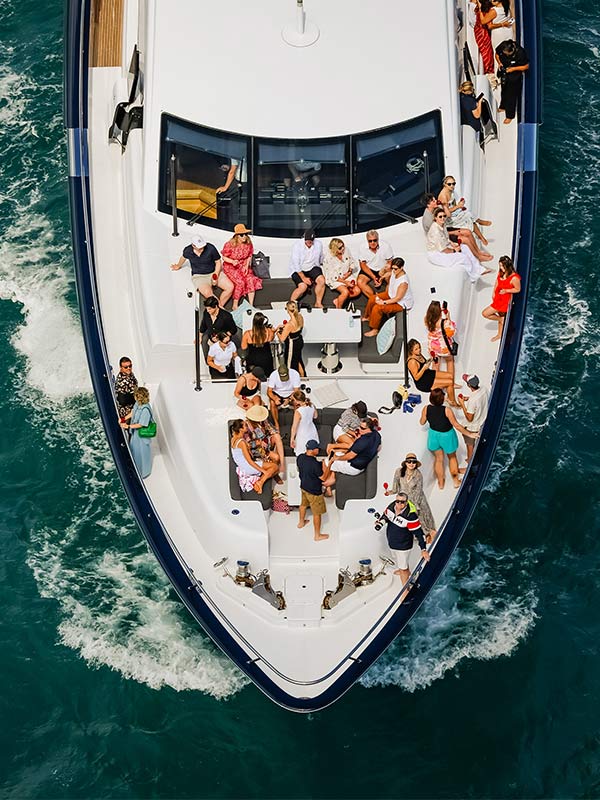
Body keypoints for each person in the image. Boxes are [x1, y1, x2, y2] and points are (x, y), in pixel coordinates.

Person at [420, 387, 474, 489]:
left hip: (433, 435)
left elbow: (422, 422)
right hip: (447, 436)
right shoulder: (447, 410)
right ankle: (456, 481)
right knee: (452, 457)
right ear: (442, 399)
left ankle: (441, 483)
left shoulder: (426, 408)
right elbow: (456, 425)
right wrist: (469, 434)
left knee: (438, 458)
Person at [421, 194, 492, 262]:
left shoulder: (436, 208)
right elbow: (437, 235)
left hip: (445, 230)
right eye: (433, 201)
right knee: (465, 239)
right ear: (428, 205)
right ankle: (478, 257)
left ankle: (478, 252)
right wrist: (454, 232)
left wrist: (444, 206)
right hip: (441, 237)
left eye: (435, 199)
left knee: (468, 232)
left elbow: (448, 215)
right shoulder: (428, 219)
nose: (436, 201)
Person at [378, 492, 430, 583]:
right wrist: (380, 521)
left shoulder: (410, 516)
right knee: (401, 562)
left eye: (402, 502)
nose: (399, 504)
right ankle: (405, 570)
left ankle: (405, 588)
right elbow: (385, 516)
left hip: (403, 546)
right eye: (397, 501)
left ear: (406, 502)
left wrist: (423, 549)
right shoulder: (391, 506)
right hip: (392, 543)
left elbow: (419, 534)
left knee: (403, 569)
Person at [426, 207, 488, 283]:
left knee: (465, 247)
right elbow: (443, 250)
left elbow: (446, 238)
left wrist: (454, 244)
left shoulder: (442, 225)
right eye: (440, 217)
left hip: (444, 248)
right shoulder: (436, 231)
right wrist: (455, 250)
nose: (443, 218)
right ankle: (473, 276)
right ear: (435, 218)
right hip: (436, 254)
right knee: (463, 257)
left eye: (444, 216)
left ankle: (479, 269)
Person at [386, 453, 437, 542]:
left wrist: (415, 505)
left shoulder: (418, 475)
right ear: (405, 463)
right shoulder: (399, 472)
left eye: (413, 462)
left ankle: (428, 534)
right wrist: (389, 492)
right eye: (409, 461)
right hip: (404, 499)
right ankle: (417, 535)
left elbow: (418, 491)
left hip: (417, 499)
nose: (411, 464)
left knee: (422, 517)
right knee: (408, 518)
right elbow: (395, 488)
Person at [170, 235, 234, 306]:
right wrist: (178, 265)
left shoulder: (211, 248)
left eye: (203, 246)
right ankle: (220, 308)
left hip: (214, 272)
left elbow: (218, 262)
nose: (202, 249)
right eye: (200, 247)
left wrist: (215, 275)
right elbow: (183, 257)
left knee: (230, 287)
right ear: (193, 246)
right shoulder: (188, 250)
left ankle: (219, 307)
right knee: (208, 294)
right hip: (199, 277)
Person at [322, 417, 381, 492]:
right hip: (361, 463)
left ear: (369, 429)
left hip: (352, 467)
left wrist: (336, 458)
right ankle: (332, 476)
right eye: (359, 426)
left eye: (362, 428)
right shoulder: (377, 435)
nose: (359, 429)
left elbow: (350, 456)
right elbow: (378, 447)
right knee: (335, 453)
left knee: (326, 462)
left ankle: (326, 485)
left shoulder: (362, 442)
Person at [363, 257, 414, 336]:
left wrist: (383, 302)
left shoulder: (403, 283)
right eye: (392, 268)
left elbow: (398, 298)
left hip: (400, 303)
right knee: (372, 298)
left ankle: (375, 329)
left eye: (395, 269)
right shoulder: (395, 271)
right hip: (391, 294)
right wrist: (382, 277)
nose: (394, 270)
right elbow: (390, 273)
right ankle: (367, 317)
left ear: (402, 268)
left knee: (378, 308)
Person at [438, 176, 492, 246]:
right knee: (468, 215)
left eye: (454, 183)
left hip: (454, 213)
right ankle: (480, 224)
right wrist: (458, 206)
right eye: (449, 184)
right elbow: (446, 212)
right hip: (448, 218)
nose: (452, 186)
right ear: (445, 184)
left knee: (468, 216)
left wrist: (459, 206)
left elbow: (453, 204)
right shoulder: (443, 196)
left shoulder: (450, 191)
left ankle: (481, 236)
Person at [230, 419, 278, 495]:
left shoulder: (233, 439)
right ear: (241, 429)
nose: (247, 427)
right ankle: (260, 482)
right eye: (245, 425)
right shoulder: (241, 442)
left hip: (243, 466)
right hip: (247, 467)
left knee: (272, 467)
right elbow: (250, 461)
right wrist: (263, 471)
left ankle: (262, 481)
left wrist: (249, 447)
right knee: (275, 467)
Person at [406, 339, 458, 406]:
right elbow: (416, 378)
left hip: (428, 374)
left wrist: (431, 360)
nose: (419, 350)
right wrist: (424, 368)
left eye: (419, 347)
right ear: (411, 351)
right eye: (416, 349)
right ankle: (453, 402)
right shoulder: (412, 362)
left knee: (450, 376)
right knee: (450, 382)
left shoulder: (418, 354)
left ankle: (449, 396)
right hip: (423, 382)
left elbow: (423, 364)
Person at [482, 255, 521, 341]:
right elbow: (497, 281)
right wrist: (493, 292)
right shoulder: (501, 272)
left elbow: (517, 289)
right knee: (501, 316)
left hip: (504, 301)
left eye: (503, 266)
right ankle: (499, 334)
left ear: (508, 266)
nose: (501, 268)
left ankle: (501, 319)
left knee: (485, 313)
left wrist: (506, 290)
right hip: (497, 297)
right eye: (500, 265)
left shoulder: (514, 278)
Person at [221, 223, 261, 309]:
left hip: (243, 265)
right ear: (237, 236)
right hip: (231, 267)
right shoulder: (229, 244)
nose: (244, 236)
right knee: (240, 282)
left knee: (250, 280)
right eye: (242, 235)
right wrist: (232, 261)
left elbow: (249, 255)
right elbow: (224, 257)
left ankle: (251, 305)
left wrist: (246, 265)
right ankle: (235, 305)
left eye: (246, 234)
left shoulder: (249, 243)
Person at [297, 440, 329, 541]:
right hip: (314, 492)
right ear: (313, 450)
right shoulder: (314, 464)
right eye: (317, 449)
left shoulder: (300, 457)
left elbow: (308, 466)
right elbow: (323, 478)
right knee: (317, 513)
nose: (318, 450)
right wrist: (328, 465)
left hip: (304, 487)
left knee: (303, 505)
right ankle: (317, 535)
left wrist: (319, 463)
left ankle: (301, 523)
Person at [244, 405, 285, 482]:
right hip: (256, 450)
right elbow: (247, 445)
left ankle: (280, 466)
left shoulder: (263, 421)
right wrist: (257, 443)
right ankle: (274, 472)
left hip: (266, 445)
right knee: (276, 457)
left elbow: (273, 430)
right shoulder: (246, 427)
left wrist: (266, 440)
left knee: (277, 436)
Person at [120, 386, 154, 478]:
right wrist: (123, 419)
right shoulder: (137, 404)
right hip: (135, 434)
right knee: (134, 451)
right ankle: (134, 468)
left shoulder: (145, 410)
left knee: (141, 453)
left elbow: (141, 424)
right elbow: (133, 412)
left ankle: (143, 473)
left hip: (141, 436)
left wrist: (128, 426)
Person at [457, 374, 489, 467]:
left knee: (470, 447)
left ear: (469, 385)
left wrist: (462, 404)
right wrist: (468, 398)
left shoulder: (472, 401)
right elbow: (478, 399)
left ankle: (470, 462)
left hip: (472, 428)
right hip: (483, 422)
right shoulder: (484, 389)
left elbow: (469, 418)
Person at [495, 39, 529, 124]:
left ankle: (510, 115)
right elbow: (497, 54)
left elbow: (526, 66)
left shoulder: (520, 53)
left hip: (514, 76)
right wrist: (499, 63)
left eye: (507, 53)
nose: (505, 54)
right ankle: (503, 106)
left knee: (511, 96)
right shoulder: (503, 46)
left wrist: (513, 69)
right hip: (504, 72)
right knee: (504, 90)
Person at [424, 300, 457, 388]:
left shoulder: (427, 319)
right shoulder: (444, 322)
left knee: (435, 365)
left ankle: (436, 384)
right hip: (443, 347)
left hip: (432, 347)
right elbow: (452, 332)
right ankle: (451, 383)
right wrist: (448, 316)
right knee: (450, 361)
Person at [289, 231, 326, 307]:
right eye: (308, 240)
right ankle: (291, 304)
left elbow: (321, 258)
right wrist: (303, 278)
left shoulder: (318, 244)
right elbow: (296, 263)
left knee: (321, 280)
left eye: (311, 241)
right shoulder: (297, 246)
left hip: (312, 266)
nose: (310, 242)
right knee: (303, 287)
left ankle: (318, 303)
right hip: (298, 269)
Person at [322, 238, 361, 309]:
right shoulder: (329, 258)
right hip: (335, 279)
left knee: (357, 291)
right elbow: (333, 276)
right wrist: (346, 282)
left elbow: (352, 262)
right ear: (335, 249)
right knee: (345, 292)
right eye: (340, 248)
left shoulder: (346, 251)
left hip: (347, 276)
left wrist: (349, 272)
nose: (343, 248)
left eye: (343, 246)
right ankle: (339, 309)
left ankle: (338, 300)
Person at [356, 230, 393, 299]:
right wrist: (374, 277)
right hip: (369, 268)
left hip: (383, 268)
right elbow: (363, 265)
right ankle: (374, 298)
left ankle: (386, 298)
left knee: (392, 280)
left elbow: (390, 262)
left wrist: (382, 277)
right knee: (360, 282)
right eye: (370, 241)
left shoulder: (386, 246)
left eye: (375, 240)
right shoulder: (362, 247)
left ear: (378, 239)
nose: (372, 243)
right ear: (367, 240)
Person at [267, 363, 301, 429]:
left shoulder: (295, 374)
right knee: (272, 402)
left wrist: (289, 399)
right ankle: (276, 423)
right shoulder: (273, 375)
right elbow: (269, 391)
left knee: (297, 402)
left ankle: (296, 423)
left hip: (291, 393)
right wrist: (275, 399)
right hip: (278, 393)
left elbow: (296, 391)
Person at [276, 300, 305, 377]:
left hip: (292, 345)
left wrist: (278, 332)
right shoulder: (300, 317)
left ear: (288, 310)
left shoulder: (289, 325)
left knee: (290, 363)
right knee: (298, 359)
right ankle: (303, 375)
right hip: (299, 340)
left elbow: (282, 339)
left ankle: (292, 378)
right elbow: (299, 328)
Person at [241, 312, 275, 378]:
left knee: (252, 378)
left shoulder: (247, 334)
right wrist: (273, 331)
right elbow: (271, 339)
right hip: (266, 359)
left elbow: (243, 347)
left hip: (253, 360)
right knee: (267, 378)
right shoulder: (268, 331)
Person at [290, 389, 318, 456]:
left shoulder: (298, 411)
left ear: (297, 400)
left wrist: (292, 439)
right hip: (312, 433)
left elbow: (294, 427)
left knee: (301, 456)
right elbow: (315, 416)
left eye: (293, 400)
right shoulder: (312, 405)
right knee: (312, 454)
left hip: (302, 435)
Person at [472, 0, 495, 74]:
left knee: (485, 51)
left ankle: (488, 69)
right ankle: (488, 70)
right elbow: (487, 24)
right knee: (487, 52)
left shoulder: (480, 9)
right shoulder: (484, 11)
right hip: (483, 32)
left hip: (479, 30)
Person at [114, 356, 138, 420]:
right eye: (126, 367)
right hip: (127, 414)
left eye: (130, 366)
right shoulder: (120, 381)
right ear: (121, 368)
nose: (128, 368)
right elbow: (122, 401)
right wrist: (135, 397)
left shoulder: (130, 374)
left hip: (134, 409)